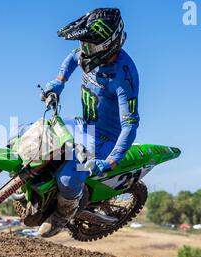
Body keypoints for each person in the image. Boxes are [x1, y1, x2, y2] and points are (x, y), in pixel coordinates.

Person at [38, 8, 140, 238]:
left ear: (109, 44)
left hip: (104, 137)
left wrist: (111, 161)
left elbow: (131, 125)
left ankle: (63, 215)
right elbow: (73, 57)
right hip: (83, 124)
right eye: (84, 44)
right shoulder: (88, 54)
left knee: (69, 176)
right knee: (35, 136)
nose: (84, 50)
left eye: (90, 46)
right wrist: (59, 82)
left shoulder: (124, 77)